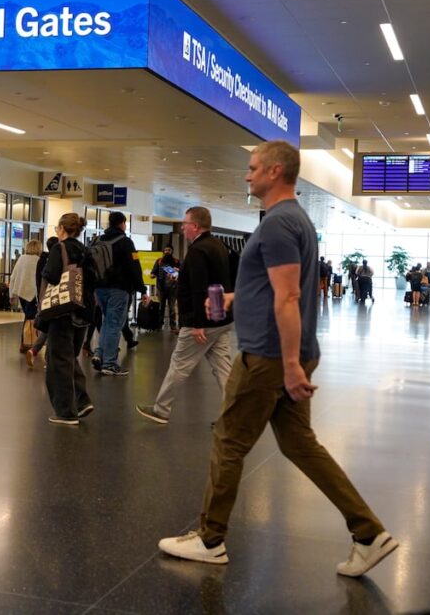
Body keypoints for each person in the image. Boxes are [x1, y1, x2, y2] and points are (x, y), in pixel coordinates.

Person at [158, 141, 397, 578]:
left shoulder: (278, 224)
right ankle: (368, 533)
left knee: (229, 440)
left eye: (252, 169)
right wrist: (233, 298)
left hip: (268, 356)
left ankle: (210, 539)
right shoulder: (293, 221)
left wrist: (288, 365)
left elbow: (289, 296)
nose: (247, 176)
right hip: (284, 351)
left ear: (273, 171)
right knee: (299, 443)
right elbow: (273, 290)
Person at [137, 206, 234, 424]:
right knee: (223, 368)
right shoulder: (218, 246)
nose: (182, 228)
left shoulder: (198, 251)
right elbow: (220, 281)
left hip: (201, 320)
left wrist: (199, 323)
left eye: (185, 224)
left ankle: (161, 409)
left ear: (196, 226)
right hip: (220, 316)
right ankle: (235, 416)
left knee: (180, 363)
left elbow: (199, 288)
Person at [41, 213, 93, 425]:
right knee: (70, 357)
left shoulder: (59, 248)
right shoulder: (85, 249)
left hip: (62, 310)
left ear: (62, 228)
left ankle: (66, 412)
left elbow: (52, 275)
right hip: (83, 310)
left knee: (59, 361)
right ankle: (81, 401)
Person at [90, 211, 144, 376]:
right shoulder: (125, 242)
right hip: (119, 289)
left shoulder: (97, 240)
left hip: (99, 288)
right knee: (114, 324)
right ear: (122, 223)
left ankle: (100, 354)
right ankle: (110, 363)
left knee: (107, 322)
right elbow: (134, 265)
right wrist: (142, 288)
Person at [25, 236, 57, 368]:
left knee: (46, 327)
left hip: (42, 297)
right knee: (53, 328)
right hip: (54, 298)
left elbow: (39, 280)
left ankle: (34, 350)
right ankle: (47, 357)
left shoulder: (41, 260)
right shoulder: (55, 261)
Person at [9, 240, 42, 351]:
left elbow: (13, 276)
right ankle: (28, 343)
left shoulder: (22, 259)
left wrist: (12, 294)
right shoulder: (39, 260)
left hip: (21, 292)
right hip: (34, 294)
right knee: (31, 318)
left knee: (28, 316)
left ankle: (25, 343)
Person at [151, 246, 181, 331]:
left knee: (172, 308)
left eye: (169, 250)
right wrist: (152, 275)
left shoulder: (176, 261)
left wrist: (176, 271)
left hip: (173, 288)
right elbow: (153, 272)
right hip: (161, 288)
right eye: (166, 250)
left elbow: (181, 273)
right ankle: (159, 325)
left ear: (172, 251)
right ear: (163, 251)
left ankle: (173, 326)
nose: (167, 251)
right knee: (161, 307)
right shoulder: (159, 261)